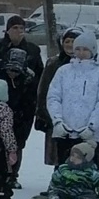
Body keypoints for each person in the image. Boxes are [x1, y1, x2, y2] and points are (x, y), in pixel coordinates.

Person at [0, 16, 42, 185]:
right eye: (15, 28)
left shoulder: (33, 50)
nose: (19, 31)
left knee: (16, 140)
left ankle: (11, 175)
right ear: (8, 30)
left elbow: (39, 76)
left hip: (23, 101)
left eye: (21, 28)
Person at [45, 32, 99, 158]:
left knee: (86, 172)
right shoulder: (64, 71)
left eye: (85, 49)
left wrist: (92, 126)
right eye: (78, 49)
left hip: (89, 135)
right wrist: (57, 121)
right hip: (65, 132)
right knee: (64, 169)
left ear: (92, 51)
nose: (81, 53)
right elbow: (53, 97)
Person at [35, 25, 80, 166]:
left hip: (80, 120)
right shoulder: (54, 63)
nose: (70, 45)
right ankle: (58, 183)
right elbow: (43, 90)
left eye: (74, 41)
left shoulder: (88, 65)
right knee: (59, 157)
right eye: (67, 41)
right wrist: (44, 115)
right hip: (56, 117)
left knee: (79, 157)